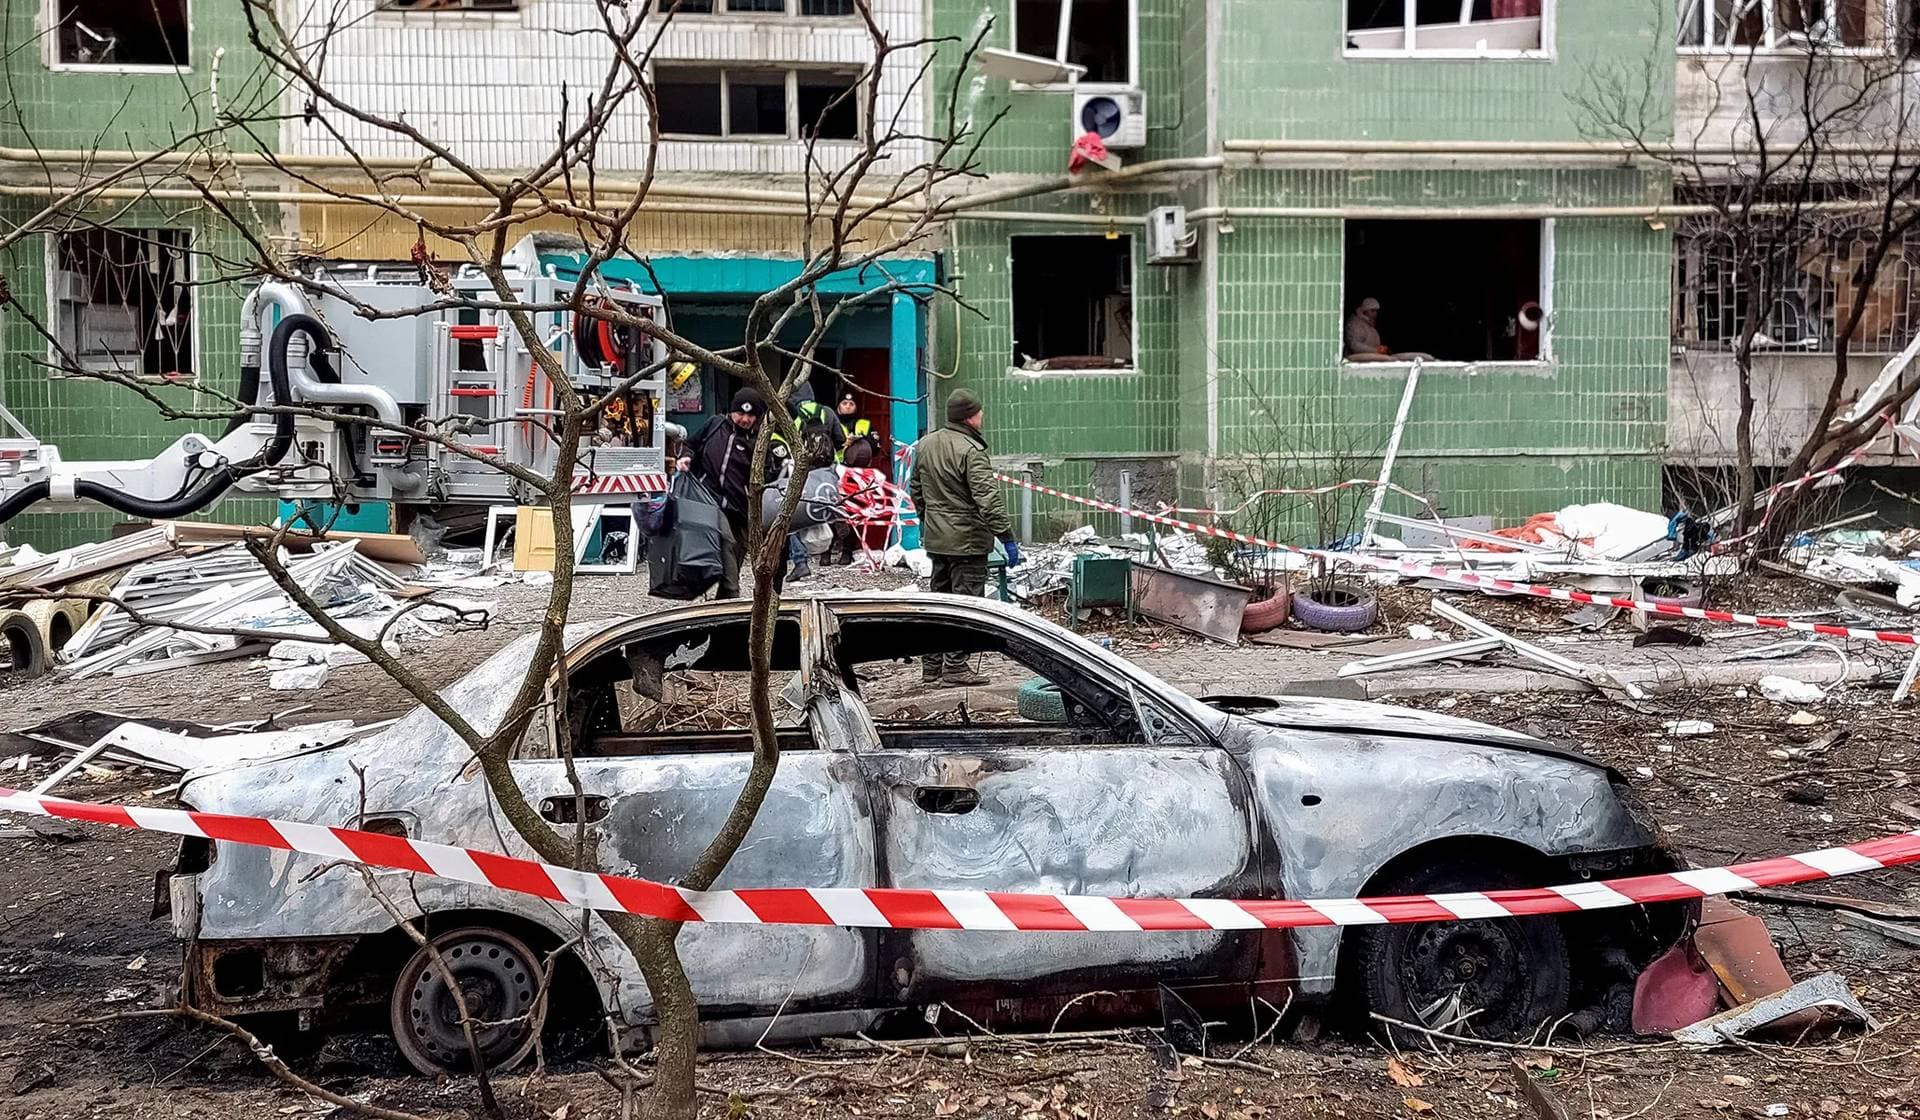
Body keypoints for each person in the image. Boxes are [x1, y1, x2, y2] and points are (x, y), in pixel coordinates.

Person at [909, 388, 1022, 685]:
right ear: (969, 417)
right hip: (968, 542)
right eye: (979, 411)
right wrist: (1007, 537)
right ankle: (956, 668)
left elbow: (917, 491)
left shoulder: (925, 445)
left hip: (938, 540)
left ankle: (931, 667)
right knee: (965, 606)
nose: (982, 416)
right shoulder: (971, 451)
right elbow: (988, 499)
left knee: (939, 604)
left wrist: (930, 522)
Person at [681, 388, 764, 599]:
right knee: (726, 544)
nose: (745, 419)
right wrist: (686, 457)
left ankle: (724, 604)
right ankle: (733, 596)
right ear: (732, 411)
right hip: (709, 502)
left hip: (740, 509)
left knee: (735, 556)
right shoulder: (715, 424)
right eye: (741, 413)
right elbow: (691, 444)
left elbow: (767, 475)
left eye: (750, 415)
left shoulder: (759, 442)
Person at [1345, 297, 1435, 363]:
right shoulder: (1355, 323)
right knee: (1390, 360)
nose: (1375, 314)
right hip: (1357, 358)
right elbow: (1355, 345)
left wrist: (1380, 349)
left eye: (1376, 311)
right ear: (1365, 311)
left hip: (1371, 355)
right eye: (1372, 311)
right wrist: (1376, 350)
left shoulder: (1368, 324)